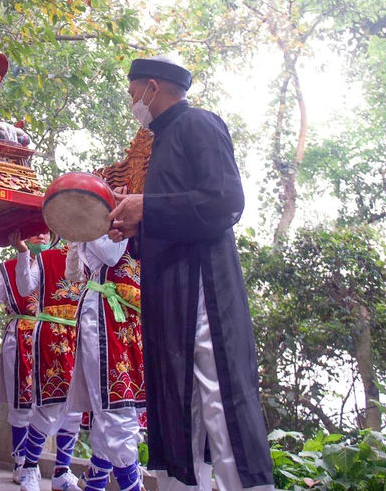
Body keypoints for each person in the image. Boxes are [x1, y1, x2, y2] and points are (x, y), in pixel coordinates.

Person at [108, 56, 274, 490]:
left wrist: (150, 207)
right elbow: (168, 215)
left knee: (218, 396)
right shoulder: (158, 144)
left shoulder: (199, 124)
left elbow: (224, 201)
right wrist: (137, 221)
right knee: (179, 402)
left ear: (153, 87)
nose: (132, 104)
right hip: (166, 289)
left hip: (202, 289)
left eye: (132, 95)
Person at [65, 233, 144, 491]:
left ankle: (96, 482)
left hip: (131, 316)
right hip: (104, 314)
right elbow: (109, 255)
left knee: (122, 406)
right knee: (115, 405)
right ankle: (130, 484)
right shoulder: (97, 210)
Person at [16, 234, 84, 491]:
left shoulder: (93, 251)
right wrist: (23, 253)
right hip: (52, 334)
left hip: (82, 332)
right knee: (51, 404)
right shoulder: (45, 256)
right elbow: (25, 289)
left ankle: (62, 471)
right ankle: (29, 467)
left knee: (76, 407)